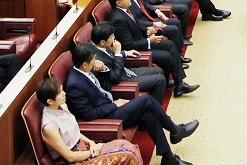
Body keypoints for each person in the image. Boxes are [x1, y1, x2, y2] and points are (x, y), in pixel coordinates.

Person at [62, 43, 197, 165]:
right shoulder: (74, 85)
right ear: (85, 64)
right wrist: (115, 105)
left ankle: (169, 158)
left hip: (109, 105)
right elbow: (88, 114)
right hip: (106, 116)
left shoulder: (86, 70)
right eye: (93, 60)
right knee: (147, 100)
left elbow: (106, 83)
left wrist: (103, 69)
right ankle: (175, 130)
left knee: (148, 115)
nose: (95, 62)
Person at [35, 78, 142, 165]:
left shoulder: (62, 105)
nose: (64, 93)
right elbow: (69, 157)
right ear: (49, 101)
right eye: (60, 93)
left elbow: (75, 133)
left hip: (84, 150)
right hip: (73, 161)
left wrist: (91, 143)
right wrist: (92, 152)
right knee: (128, 155)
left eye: (62, 90)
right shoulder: (49, 127)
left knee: (127, 146)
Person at [86, 23, 169, 103]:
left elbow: (110, 54)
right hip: (123, 80)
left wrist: (125, 53)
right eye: (112, 36)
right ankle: (155, 110)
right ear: (102, 42)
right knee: (160, 80)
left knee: (159, 71)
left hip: (126, 71)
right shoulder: (97, 59)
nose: (114, 38)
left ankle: (154, 101)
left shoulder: (100, 45)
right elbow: (115, 77)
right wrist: (118, 53)